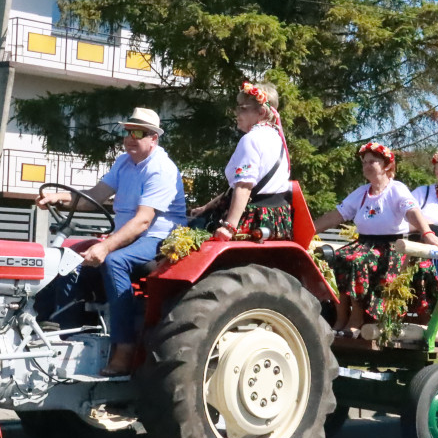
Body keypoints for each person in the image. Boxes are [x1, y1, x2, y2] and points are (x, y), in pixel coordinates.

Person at [36, 107, 186, 376]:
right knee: (68, 259)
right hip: (130, 233)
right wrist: (58, 197)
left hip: (159, 236)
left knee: (115, 260)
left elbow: (143, 221)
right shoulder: (124, 162)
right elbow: (95, 195)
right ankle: (64, 336)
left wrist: (106, 246)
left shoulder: (161, 169)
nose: (130, 138)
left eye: (138, 132)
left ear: (154, 138)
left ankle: (124, 349)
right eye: (127, 131)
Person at [313, 143, 438, 338]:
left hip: (391, 247)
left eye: (373, 161)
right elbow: (337, 215)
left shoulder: (396, 189)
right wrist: (309, 231)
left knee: (356, 260)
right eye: (364, 162)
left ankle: (356, 318)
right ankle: (341, 317)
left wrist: (427, 233)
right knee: (335, 258)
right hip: (365, 243)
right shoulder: (362, 192)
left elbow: (412, 212)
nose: (367, 165)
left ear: (386, 166)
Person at [190, 81, 293, 241]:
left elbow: (244, 187)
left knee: (182, 239)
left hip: (252, 219)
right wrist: (207, 207)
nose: (236, 113)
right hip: (276, 220)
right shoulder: (276, 138)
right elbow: (244, 187)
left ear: (262, 112)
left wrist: (229, 227)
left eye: (243, 108)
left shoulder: (251, 139)